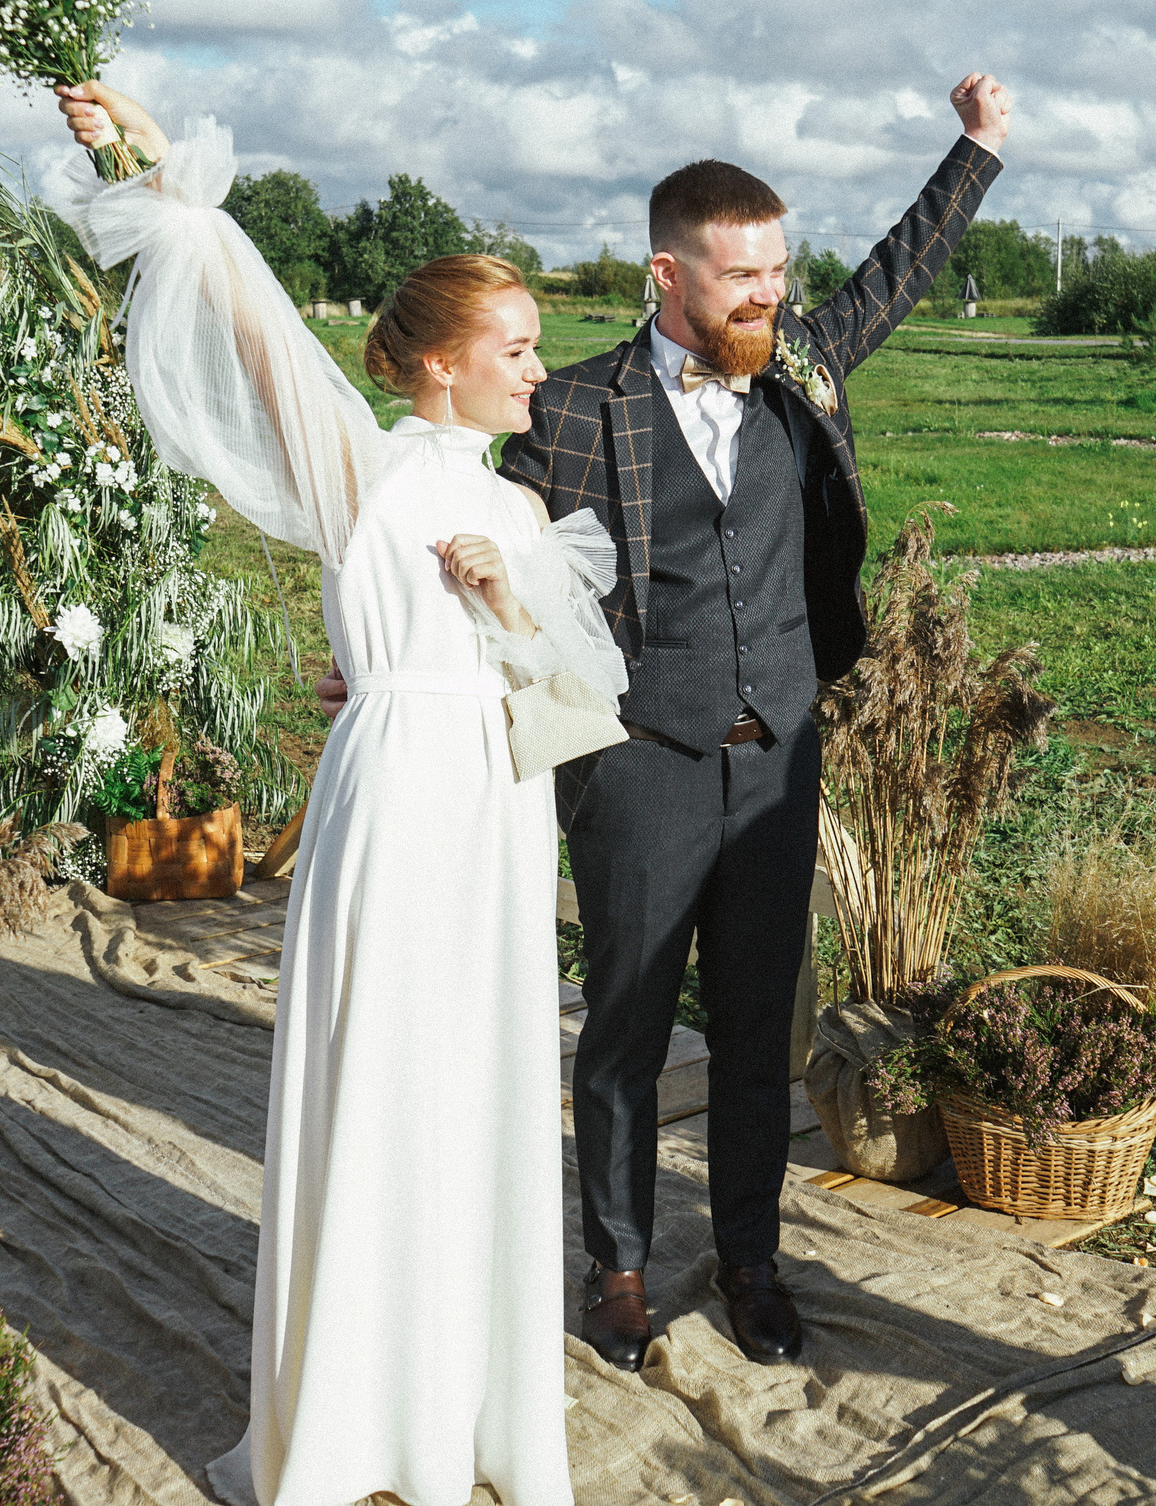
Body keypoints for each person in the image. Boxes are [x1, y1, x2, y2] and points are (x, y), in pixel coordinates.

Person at [56, 79, 626, 1506]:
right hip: (395, 799)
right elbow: (251, 332)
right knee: (386, 1073)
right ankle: (364, 1414)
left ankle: (475, 1410)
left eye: (538, 350)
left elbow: (577, 690)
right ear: (435, 364)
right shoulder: (365, 480)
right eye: (513, 349)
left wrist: (507, 614)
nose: (536, 374)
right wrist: (142, 164)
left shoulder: (518, 512)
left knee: (481, 1081)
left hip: (494, 811)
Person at [496, 73, 1013, 1370]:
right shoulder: (571, 410)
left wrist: (978, 148)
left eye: (781, 269)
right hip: (635, 768)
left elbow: (899, 269)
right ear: (667, 273)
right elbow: (471, 527)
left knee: (752, 1033)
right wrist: (379, 646)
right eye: (742, 277)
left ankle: (749, 1257)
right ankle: (615, 1258)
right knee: (619, 1032)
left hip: (781, 763)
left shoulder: (805, 371)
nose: (770, 296)